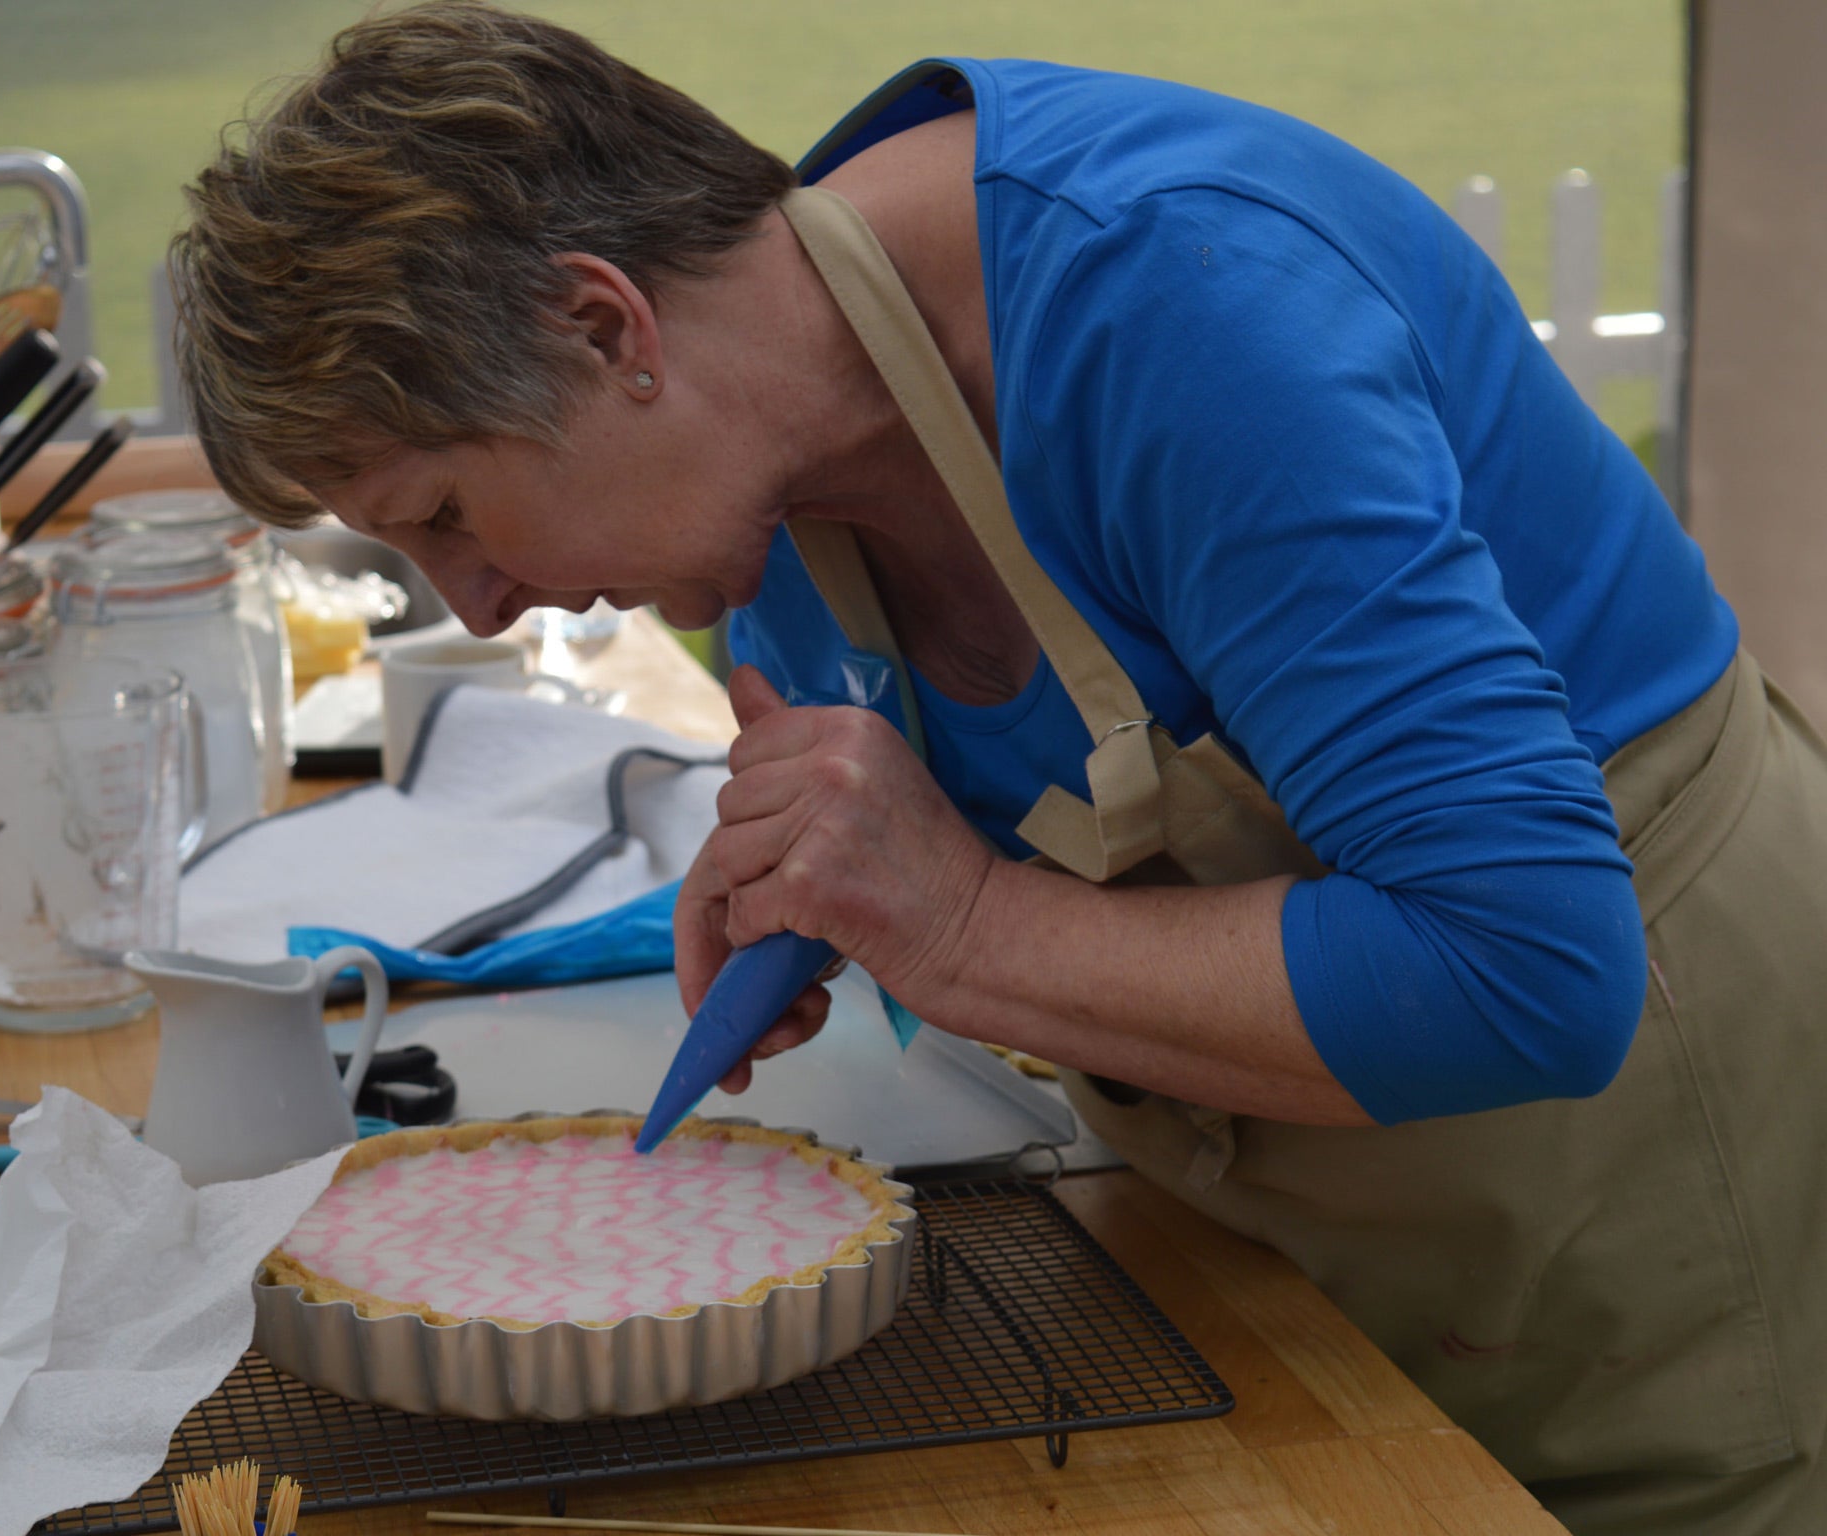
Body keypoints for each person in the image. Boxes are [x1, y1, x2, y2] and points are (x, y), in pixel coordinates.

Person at [170, 5, 1827, 1531]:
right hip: (1317, 1245)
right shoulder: (777, 459)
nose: (475, 603)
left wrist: (960, 924)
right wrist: (834, 888)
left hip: (1668, 1213)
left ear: (605, 325)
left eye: (447, 515)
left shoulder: (1174, 306)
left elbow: (1524, 972)